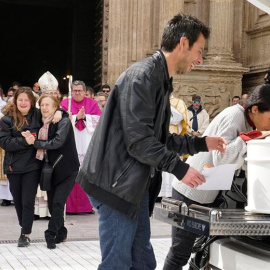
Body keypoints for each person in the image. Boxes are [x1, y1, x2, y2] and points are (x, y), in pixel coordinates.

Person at [76, 13, 227, 270]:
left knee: (143, 262)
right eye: (199, 51)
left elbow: (160, 139)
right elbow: (139, 141)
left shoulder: (160, 79)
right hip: (116, 186)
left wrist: (202, 144)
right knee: (117, 264)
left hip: (133, 187)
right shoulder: (142, 77)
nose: (200, 60)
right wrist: (180, 169)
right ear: (183, 43)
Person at [163, 84, 270, 270]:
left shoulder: (247, 120)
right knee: (180, 251)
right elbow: (220, 158)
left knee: (201, 247)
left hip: (206, 191)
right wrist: (247, 138)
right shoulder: (234, 116)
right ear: (255, 109)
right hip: (191, 190)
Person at [0, 87, 62, 247]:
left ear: (31, 102)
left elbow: (52, 109)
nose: (23, 102)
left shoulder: (38, 114)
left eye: (26, 100)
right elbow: (4, 142)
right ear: (15, 101)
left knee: (27, 200)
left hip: (33, 165)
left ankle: (25, 234)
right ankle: (24, 226)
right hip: (13, 166)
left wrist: (60, 112)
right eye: (20, 99)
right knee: (18, 200)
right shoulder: (7, 119)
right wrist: (23, 141)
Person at [22, 94, 79, 249]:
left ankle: (50, 234)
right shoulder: (42, 122)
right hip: (52, 169)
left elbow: (57, 142)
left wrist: (36, 143)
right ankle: (61, 232)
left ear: (55, 107)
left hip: (67, 168)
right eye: (42, 105)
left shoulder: (64, 121)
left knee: (59, 202)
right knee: (54, 205)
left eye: (48, 105)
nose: (45, 108)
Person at [61, 80, 101, 214]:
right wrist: (74, 118)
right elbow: (60, 121)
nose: (77, 93)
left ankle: (86, 206)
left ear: (85, 91)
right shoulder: (65, 103)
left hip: (86, 144)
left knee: (85, 175)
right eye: (75, 90)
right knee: (70, 175)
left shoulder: (92, 103)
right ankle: (69, 207)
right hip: (70, 145)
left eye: (79, 90)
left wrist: (85, 118)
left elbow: (99, 121)